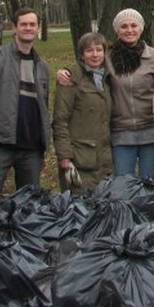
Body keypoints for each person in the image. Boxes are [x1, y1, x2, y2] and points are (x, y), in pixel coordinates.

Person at [56, 9, 154, 179]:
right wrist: (65, 72)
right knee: (122, 185)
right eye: (124, 26)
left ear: (141, 28)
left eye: (134, 25)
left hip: (150, 131)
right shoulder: (108, 58)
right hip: (120, 132)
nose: (129, 30)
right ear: (117, 30)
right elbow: (86, 68)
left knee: (149, 185)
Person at [0, 7, 50, 213]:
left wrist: (43, 148)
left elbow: (43, 109)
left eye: (32, 24)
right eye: (23, 24)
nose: (28, 28)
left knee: (29, 207)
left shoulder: (42, 66)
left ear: (38, 28)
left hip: (32, 148)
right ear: (14, 27)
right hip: (0, 145)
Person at [52, 32, 112, 194]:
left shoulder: (108, 78)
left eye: (99, 50)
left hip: (104, 159)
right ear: (82, 54)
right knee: (80, 209)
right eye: (89, 51)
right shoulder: (71, 79)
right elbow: (60, 120)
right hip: (80, 159)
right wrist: (64, 156)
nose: (95, 55)